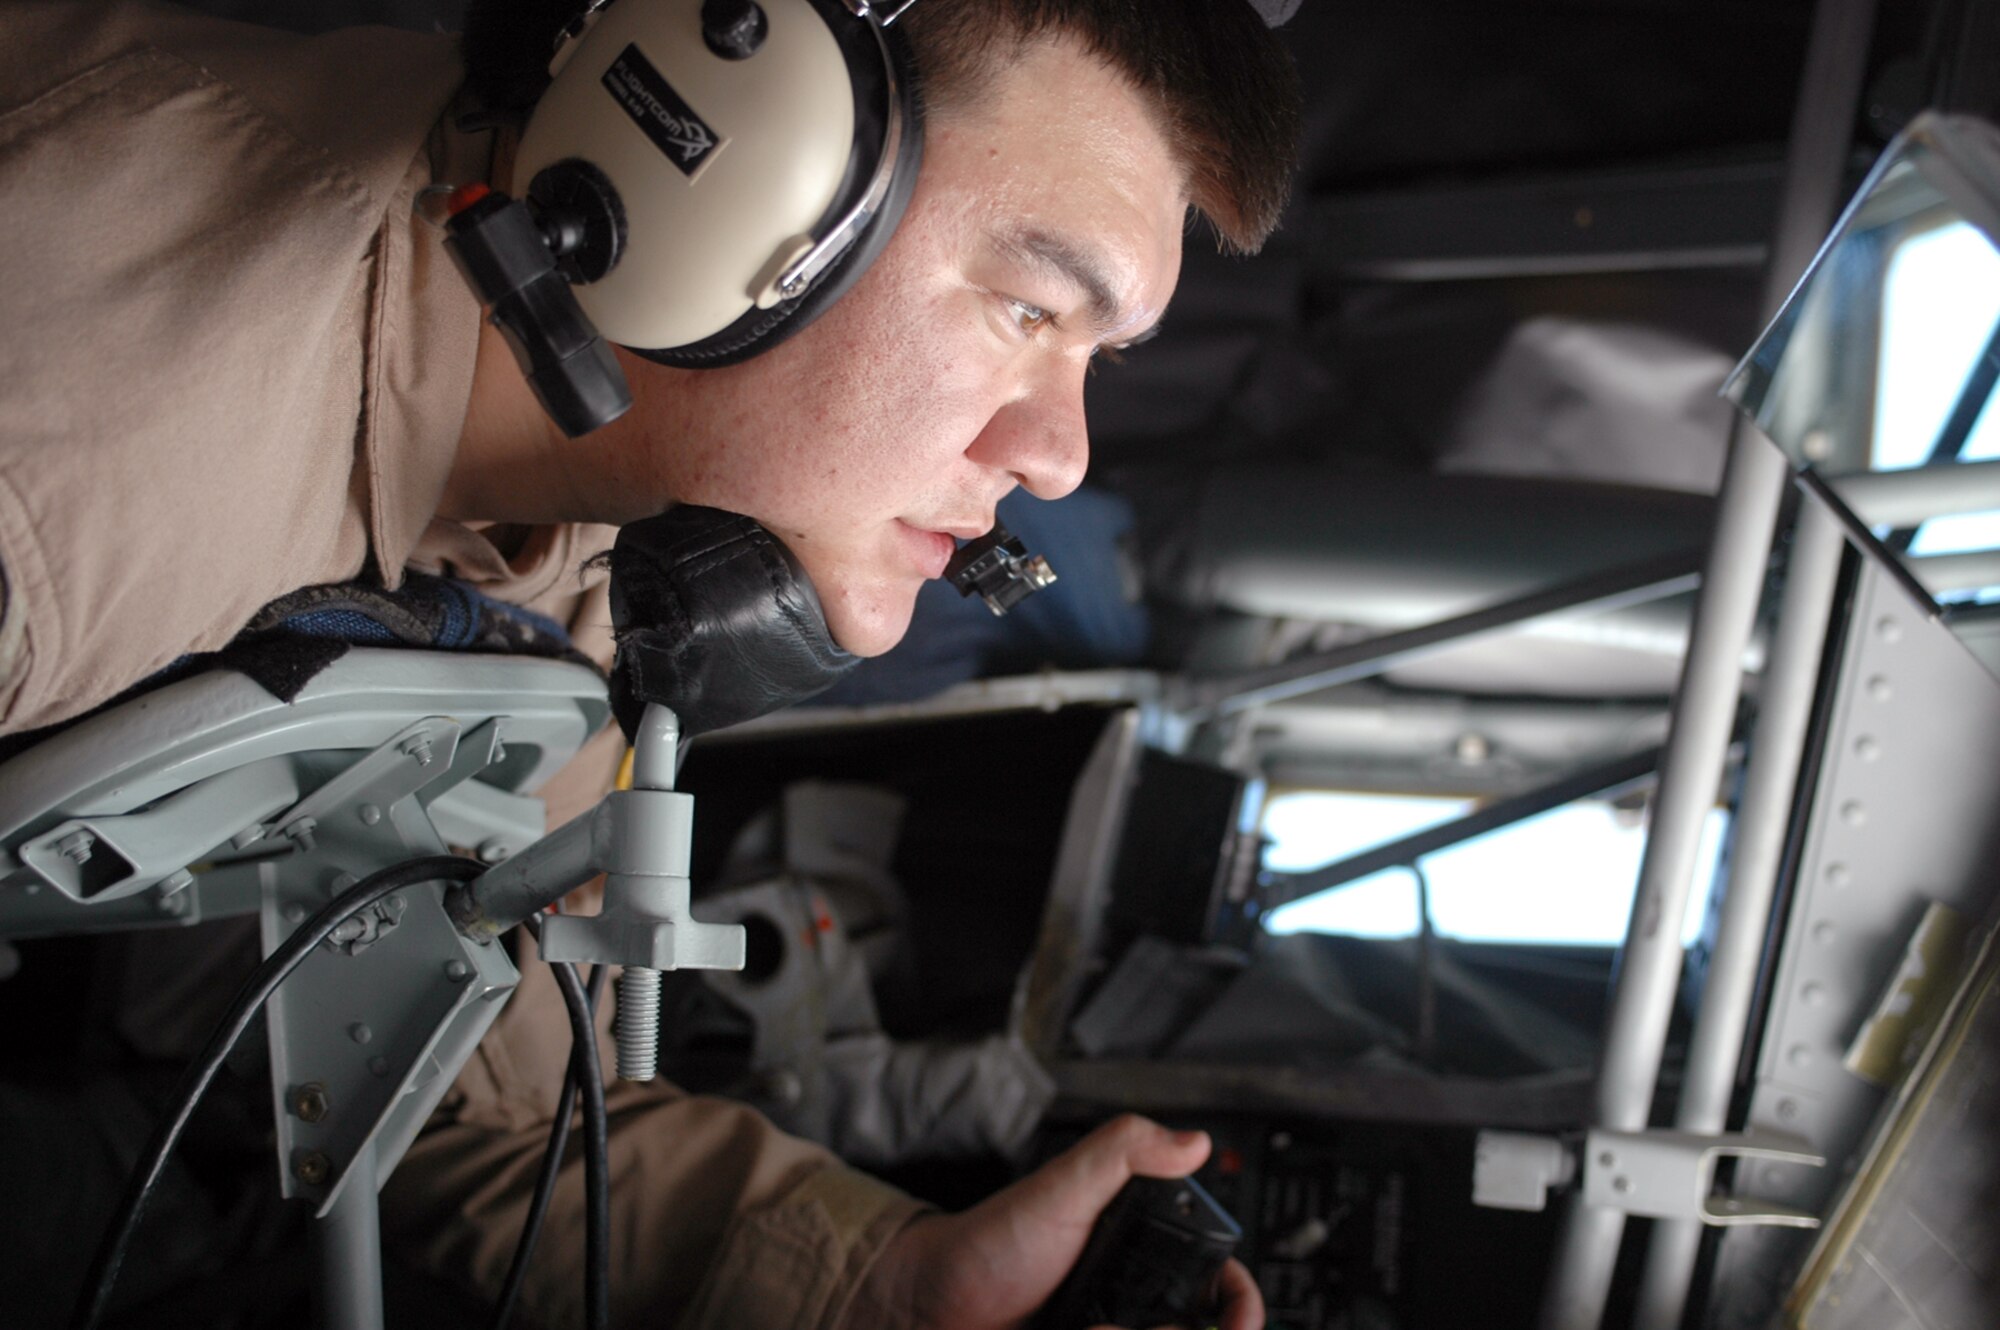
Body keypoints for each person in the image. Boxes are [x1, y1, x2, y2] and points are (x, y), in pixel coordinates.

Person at [0, 0, 1300, 1325]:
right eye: (1030, 307)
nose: (1062, 457)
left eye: (1096, 358)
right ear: (724, 143)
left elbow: (468, 1110)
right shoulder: (69, 438)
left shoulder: (576, 540)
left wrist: (901, 1289)